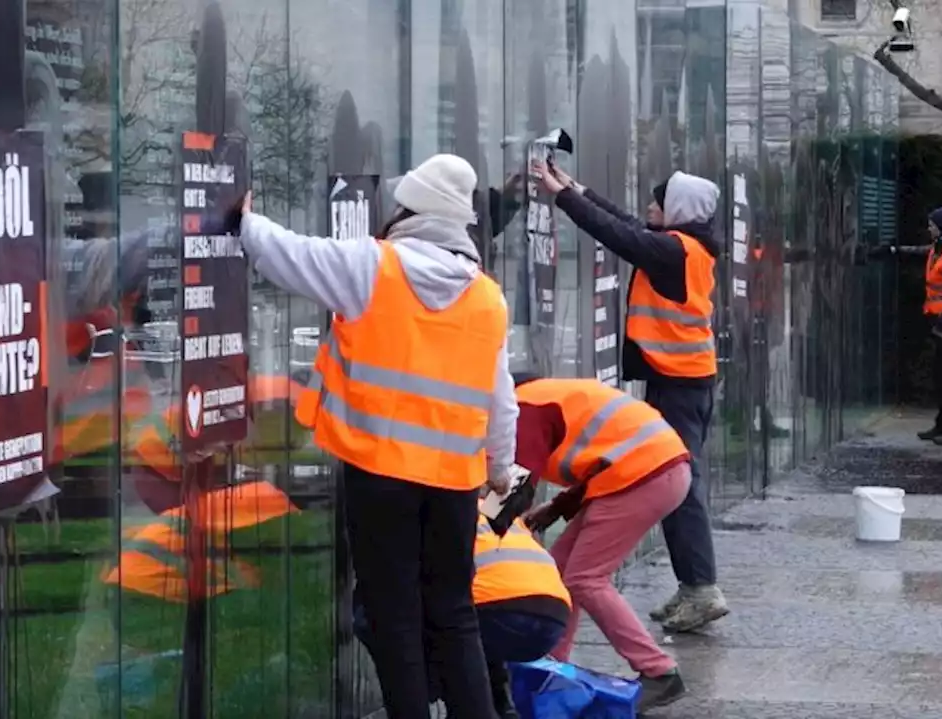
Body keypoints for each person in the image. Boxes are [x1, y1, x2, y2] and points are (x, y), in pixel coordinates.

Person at [234, 153, 519, 719]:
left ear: (408, 209)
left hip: (380, 475)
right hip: (455, 487)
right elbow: (500, 399)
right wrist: (501, 469)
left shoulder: (374, 268)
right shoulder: (487, 297)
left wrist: (245, 223)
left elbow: (293, 257)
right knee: (454, 613)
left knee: (395, 617)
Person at [534, 164, 729, 634]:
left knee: (680, 483)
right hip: (685, 380)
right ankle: (693, 587)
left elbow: (618, 235)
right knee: (679, 479)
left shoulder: (674, 251)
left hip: (679, 384)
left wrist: (562, 198)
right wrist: (579, 188)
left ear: (676, 211)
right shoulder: (684, 246)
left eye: (657, 203)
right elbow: (628, 224)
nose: (649, 208)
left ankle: (701, 589)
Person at [513, 374, 692, 712]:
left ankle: (659, 672)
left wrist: (487, 522)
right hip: (651, 471)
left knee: (584, 578)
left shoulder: (524, 407)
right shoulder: (546, 395)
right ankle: (549, 664)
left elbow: (516, 484)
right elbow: (604, 458)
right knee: (559, 570)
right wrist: (559, 507)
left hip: (643, 475)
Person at [353, 509, 570, 719]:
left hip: (495, 607)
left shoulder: (427, 511)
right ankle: (502, 707)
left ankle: (434, 688)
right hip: (554, 616)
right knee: (482, 643)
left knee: (374, 613)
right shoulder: (486, 506)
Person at [874, 207, 942, 445]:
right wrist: (894, 251)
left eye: (932, 225)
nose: (929, 228)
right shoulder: (940, 249)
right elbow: (920, 252)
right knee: (941, 375)